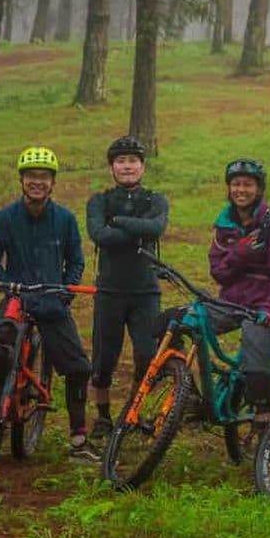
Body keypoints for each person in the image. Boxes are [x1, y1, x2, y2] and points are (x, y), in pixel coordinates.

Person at [0, 145, 100, 464]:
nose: (37, 182)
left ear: (53, 182)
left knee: (78, 368)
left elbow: (76, 261)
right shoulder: (5, 217)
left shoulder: (64, 219)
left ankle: (78, 438)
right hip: (17, 297)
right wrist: (5, 281)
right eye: (31, 176)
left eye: (43, 177)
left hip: (51, 300)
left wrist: (65, 290)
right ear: (21, 180)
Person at [85, 135, 169, 439]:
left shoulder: (155, 199)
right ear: (112, 168)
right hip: (109, 290)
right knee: (104, 359)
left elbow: (156, 228)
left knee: (147, 356)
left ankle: (132, 411)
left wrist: (117, 222)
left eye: (133, 160)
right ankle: (104, 416)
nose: (127, 166)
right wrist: (134, 231)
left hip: (146, 291)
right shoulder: (99, 200)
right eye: (121, 161)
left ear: (143, 166)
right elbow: (98, 235)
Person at [208, 158, 270, 432]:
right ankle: (184, 389)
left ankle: (265, 419)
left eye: (247, 184)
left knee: (258, 368)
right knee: (182, 322)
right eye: (235, 184)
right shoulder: (223, 225)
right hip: (230, 302)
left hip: (263, 306)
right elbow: (219, 273)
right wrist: (241, 253)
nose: (240, 190)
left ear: (259, 190)